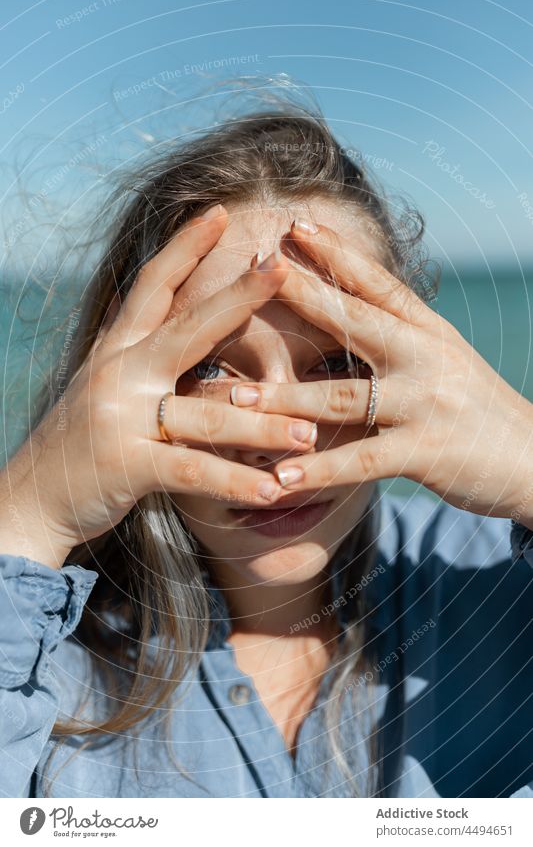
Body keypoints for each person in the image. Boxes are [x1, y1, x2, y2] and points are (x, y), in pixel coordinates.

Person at [1, 105, 532, 799]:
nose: (283, 435)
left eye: (335, 360)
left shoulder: (500, 580)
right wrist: (28, 510)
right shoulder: (42, 652)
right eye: (213, 366)